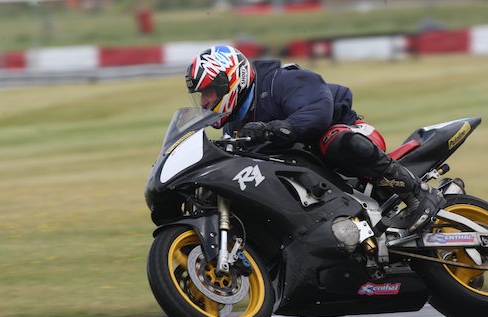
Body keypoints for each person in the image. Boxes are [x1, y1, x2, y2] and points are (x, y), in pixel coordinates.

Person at [185, 45, 443, 232]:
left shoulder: (280, 81)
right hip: (308, 171)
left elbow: (318, 109)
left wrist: (279, 127)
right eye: (201, 95)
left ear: (230, 81)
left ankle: (416, 192)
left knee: (335, 141)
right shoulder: (234, 126)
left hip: (348, 134)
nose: (204, 102)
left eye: (208, 91)